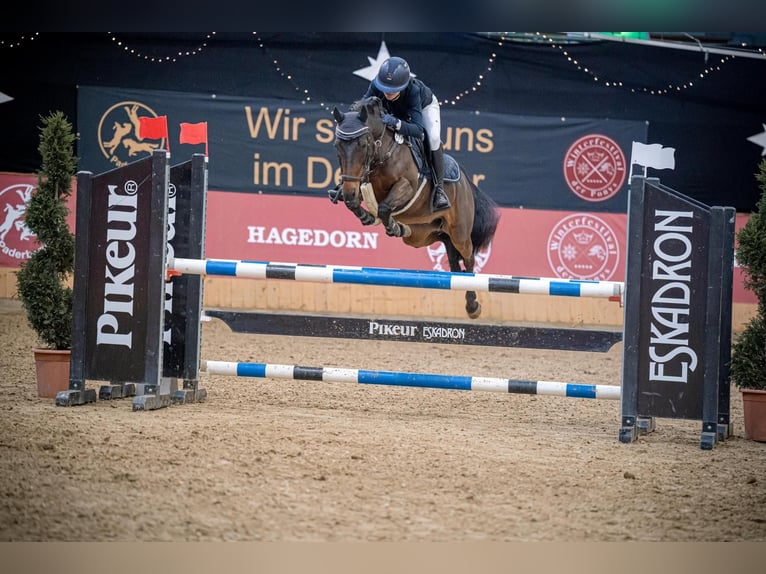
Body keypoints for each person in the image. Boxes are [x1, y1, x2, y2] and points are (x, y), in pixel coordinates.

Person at [329, 56, 450, 212]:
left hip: (423, 108)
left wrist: (397, 123)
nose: (387, 92)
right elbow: (362, 109)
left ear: (403, 85)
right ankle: (344, 183)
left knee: (433, 138)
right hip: (392, 111)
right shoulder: (376, 85)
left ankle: (439, 190)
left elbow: (418, 130)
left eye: (392, 90)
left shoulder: (414, 91)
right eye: (384, 87)